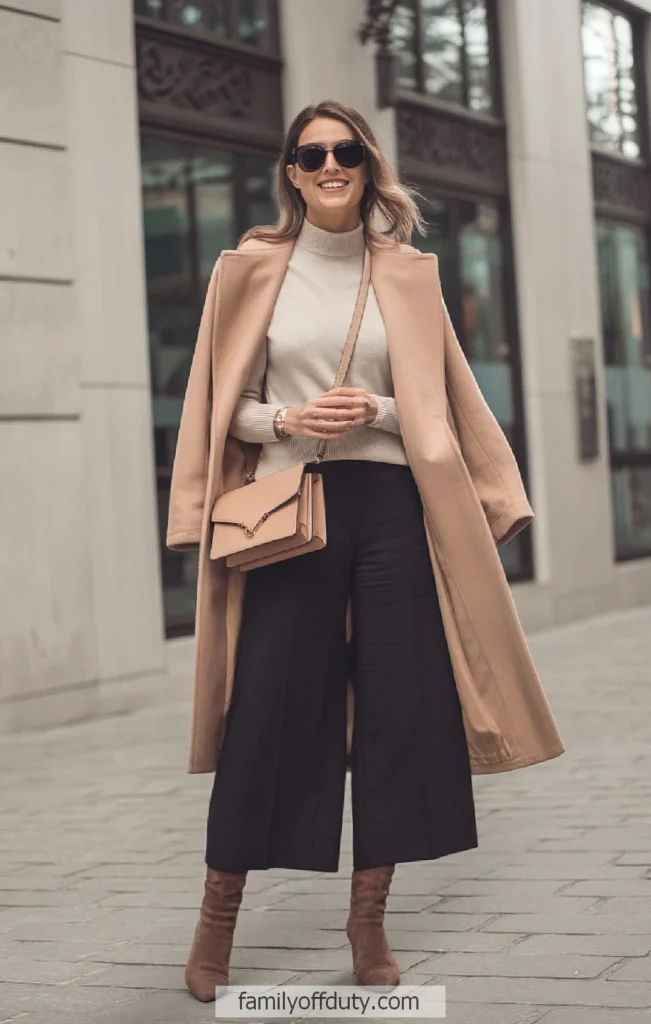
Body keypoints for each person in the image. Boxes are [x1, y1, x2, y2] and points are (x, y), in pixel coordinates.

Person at [166, 99, 564, 1002]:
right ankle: (216, 918)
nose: (330, 165)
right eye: (312, 154)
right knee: (267, 707)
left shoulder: (409, 274)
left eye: (345, 151)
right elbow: (215, 403)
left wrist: (377, 411)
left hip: (389, 503)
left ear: (367, 164)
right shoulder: (249, 271)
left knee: (400, 707)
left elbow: (441, 397)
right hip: (289, 506)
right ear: (292, 172)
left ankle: (368, 919)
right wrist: (289, 417)